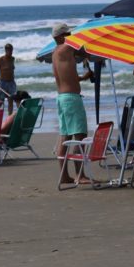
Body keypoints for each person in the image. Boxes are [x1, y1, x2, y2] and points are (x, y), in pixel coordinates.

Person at [51, 24, 92, 185]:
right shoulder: (65, 48)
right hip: (72, 99)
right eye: (68, 34)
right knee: (80, 136)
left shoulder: (56, 52)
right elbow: (83, 41)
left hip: (62, 98)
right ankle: (80, 175)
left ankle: (64, 176)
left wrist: (84, 77)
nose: (71, 36)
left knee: (65, 136)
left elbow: (69, 76)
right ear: (61, 37)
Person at [0, 43, 18, 115]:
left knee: (11, 100)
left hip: (11, 83)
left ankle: (9, 117)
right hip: (2, 83)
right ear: (6, 51)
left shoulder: (12, 59)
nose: (11, 52)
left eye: (12, 50)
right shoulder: (0, 60)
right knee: (0, 102)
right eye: (10, 51)